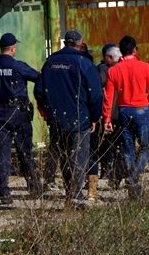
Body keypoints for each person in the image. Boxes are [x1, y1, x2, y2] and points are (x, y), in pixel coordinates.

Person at [36, 30, 102, 207]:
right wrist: (95, 117)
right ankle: (75, 195)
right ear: (80, 43)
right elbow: (96, 95)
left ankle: (70, 192)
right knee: (79, 156)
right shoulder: (84, 63)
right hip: (80, 118)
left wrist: (49, 112)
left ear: (65, 43)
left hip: (57, 119)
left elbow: (39, 91)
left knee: (64, 156)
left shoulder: (50, 62)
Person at [103, 35, 149, 199]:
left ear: (121, 52)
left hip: (124, 111)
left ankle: (133, 186)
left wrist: (107, 120)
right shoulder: (145, 67)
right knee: (146, 147)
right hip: (141, 110)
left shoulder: (113, 71)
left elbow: (108, 98)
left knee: (128, 149)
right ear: (134, 50)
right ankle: (133, 179)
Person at [0, 32, 42, 203]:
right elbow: (38, 77)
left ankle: (4, 191)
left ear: (1, 48)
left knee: (3, 153)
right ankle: (34, 186)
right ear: (13, 49)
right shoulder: (18, 66)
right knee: (25, 151)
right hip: (18, 114)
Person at [96, 44, 124, 190]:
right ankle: (109, 170)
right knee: (110, 143)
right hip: (113, 112)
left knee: (111, 143)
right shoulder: (103, 70)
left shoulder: (106, 69)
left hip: (113, 111)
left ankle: (110, 170)